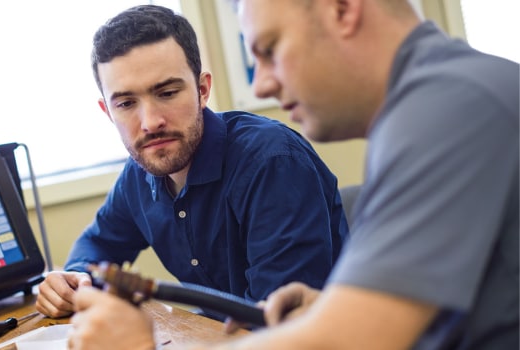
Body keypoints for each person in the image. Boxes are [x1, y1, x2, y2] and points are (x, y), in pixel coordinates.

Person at [67, 0, 519, 349]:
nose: (261, 84)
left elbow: (348, 340)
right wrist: (330, 309)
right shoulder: (437, 104)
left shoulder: (451, 112)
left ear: (342, 9)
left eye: (270, 49)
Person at [35, 4, 348, 321]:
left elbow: (280, 327)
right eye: (127, 103)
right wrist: (74, 280)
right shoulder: (139, 173)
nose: (150, 122)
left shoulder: (273, 163)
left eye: (167, 93)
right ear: (108, 112)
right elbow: (97, 243)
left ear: (202, 90)